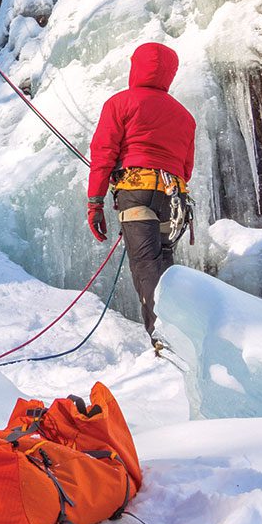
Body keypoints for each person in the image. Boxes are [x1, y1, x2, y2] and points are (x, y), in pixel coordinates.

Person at [86, 42, 195, 349]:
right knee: (164, 265)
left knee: (145, 265)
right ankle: (178, 334)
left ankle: (162, 340)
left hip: (136, 191)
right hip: (173, 199)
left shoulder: (120, 103)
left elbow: (104, 153)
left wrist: (95, 202)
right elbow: (186, 168)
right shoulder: (185, 116)